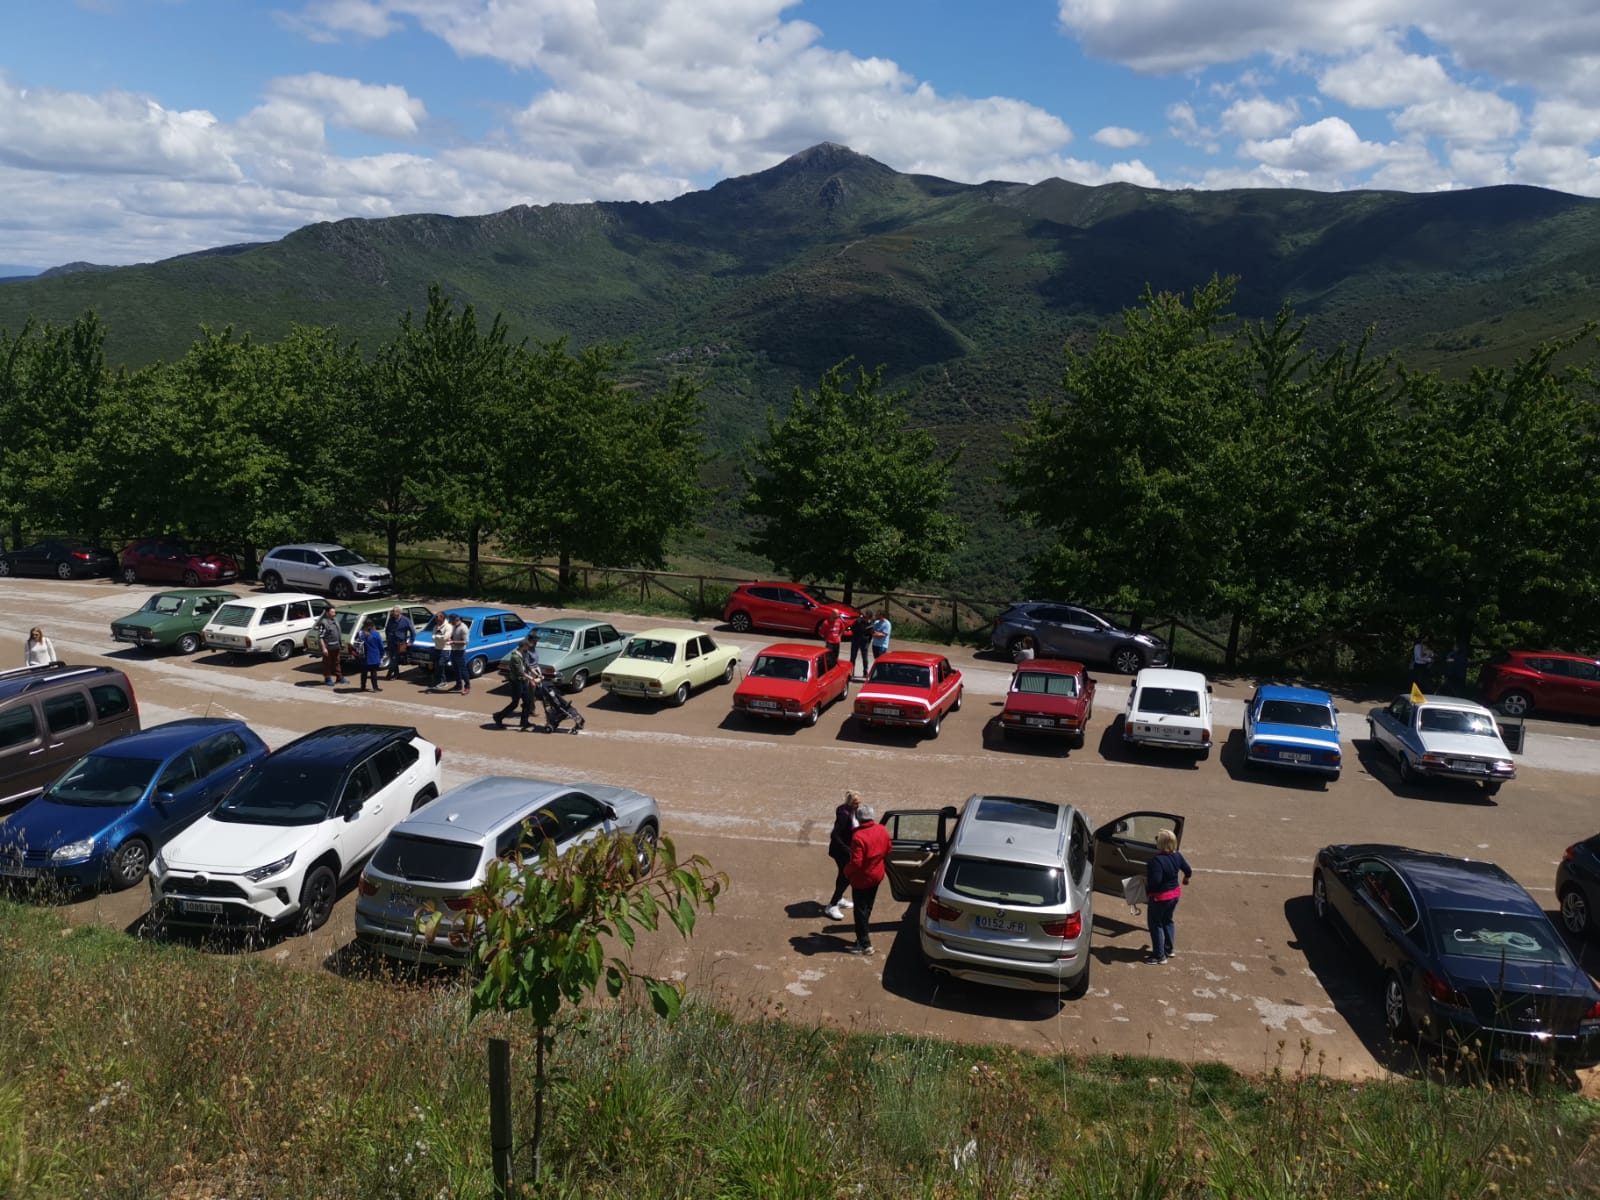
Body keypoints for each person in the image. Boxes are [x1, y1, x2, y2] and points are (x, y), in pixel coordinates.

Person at [844, 803, 891, 955]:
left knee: (859, 911)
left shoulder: (858, 836)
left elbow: (856, 863)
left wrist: (846, 871)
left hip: (862, 879)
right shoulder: (882, 829)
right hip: (877, 875)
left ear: (859, 819)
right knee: (867, 907)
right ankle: (863, 935)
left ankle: (864, 944)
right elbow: (888, 849)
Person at [1143, 829, 1193, 965]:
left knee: (1155, 924)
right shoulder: (1177, 855)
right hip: (1174, 895)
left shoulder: (1156, 861)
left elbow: (1155, 882)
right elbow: (1188, 870)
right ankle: (1169, 949)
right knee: (1167, 921)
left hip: (1160, 898)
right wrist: (1186, 878)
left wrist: (1146, 890)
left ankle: (1159, 956)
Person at [823, 791, 861, 921]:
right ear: (850, 803)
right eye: (856, 803)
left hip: (848, 851)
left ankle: (838, 899)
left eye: (859, 802)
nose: (858, 805)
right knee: (845, 876)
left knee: (845, 876)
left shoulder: (854, 811)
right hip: (841, 852)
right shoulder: (844, 816)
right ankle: (832, 905)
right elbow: (834, 835)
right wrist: (847, 850)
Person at [494, 636, 534, 729]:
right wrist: (531, 678)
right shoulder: (515, 657)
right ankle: (498, 717)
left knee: (527, 701)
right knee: (515, 703)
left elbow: (527, 665)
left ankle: (524, 722)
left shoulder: (524, 653)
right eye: (527, 646)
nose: (528, 648)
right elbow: (520, 671)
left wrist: (535, 673)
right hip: (517, 682)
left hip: (523, 681)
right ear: (523, 646)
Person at [317, 606, 345, 686]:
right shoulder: (323, 623)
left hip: (336, 646)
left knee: (337, 662)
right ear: (327, 613)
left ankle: (339, 677)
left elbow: (338, 633)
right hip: (328, 648)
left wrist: (341, 643)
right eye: (332, 612)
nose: (334, 614)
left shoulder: (335, 620)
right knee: (327, 664)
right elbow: (321, 637)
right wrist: (324, 648)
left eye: (334, 612)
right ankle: (328, 679)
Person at [384, 607, 414, 680]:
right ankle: (396, 674)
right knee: (393, 658)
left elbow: (412, 631)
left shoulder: (406, 620)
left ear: (399, 612)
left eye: (394, 611)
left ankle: (389, 673)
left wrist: (411, 641)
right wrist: (388, 637)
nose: (392, 612)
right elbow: (387, 629)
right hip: (391, 642)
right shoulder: (391, 619)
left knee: (395, 658)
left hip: (400, 643)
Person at [429, 613, 457, 691]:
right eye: (436, 619)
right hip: (437, 648)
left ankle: (443, 681)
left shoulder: (448, 627)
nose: (436, 620)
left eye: (438, 618)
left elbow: (445, 637)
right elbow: (433, 637)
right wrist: (439, 637)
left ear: (442, 618)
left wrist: (437, 637)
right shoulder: (435, 627)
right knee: (437, 665)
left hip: (445, 649)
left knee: (441, 664)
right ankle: (439, 680)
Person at [357, 618, 384, 692]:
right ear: (372, 625)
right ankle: (375, 687)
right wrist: (381, 654)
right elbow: (381, 646)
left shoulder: (360, 634)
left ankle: (362, 687)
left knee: (364, 673)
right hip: (374, 656)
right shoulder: (376, 634)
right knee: (373, 673)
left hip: (364, 656)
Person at [450, 612, 472, 694]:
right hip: (453, 650)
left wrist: (453, 642)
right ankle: (458, 685)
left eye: (451, 621)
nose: (450, 622)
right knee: (455, 668)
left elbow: (465, 642)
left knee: (463, 669)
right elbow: (453, 636)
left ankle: (467, 686)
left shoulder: (463, 628)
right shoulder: (454, 626)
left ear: (456, 620)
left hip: (460, 652)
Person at [849, 613, 873, 679]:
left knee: (865, 658)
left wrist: (868, 641)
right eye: (867, 618)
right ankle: (851, 672)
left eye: (869, 618)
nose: (868, 619)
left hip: (864, 642)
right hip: (856, 641)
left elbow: (871, 634)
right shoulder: (858, 621)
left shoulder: (870, 624)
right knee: (853, 657)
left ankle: (865, 673)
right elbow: (852, 628)